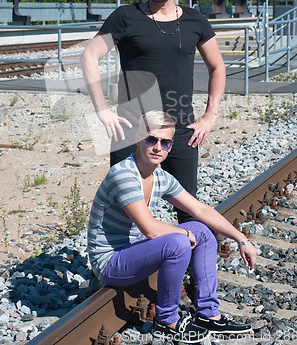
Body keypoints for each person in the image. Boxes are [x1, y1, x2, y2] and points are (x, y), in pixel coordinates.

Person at [81, 0, 226, 222]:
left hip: (180, 129)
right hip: (132, 129)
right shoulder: (126, 16)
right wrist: (102, 110)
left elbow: (217, 67)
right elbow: (89, 55)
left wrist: (210, 116)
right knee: (125, 211)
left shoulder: (195, 21)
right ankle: (124, 263)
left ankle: (190, 264)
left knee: (189, 211)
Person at [88, 111, 257, 343]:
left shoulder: (160, 177)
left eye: (165, 142)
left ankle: (209, 314)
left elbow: (201, 210)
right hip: (110, 261)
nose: (158, 147)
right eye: (151, 139)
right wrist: (182, 233)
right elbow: (150, 229)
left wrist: (242, 240)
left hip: (134, 248)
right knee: (178, 241)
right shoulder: (124, 175)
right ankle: (166, 321)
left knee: (203, 231)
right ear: (138, 138)